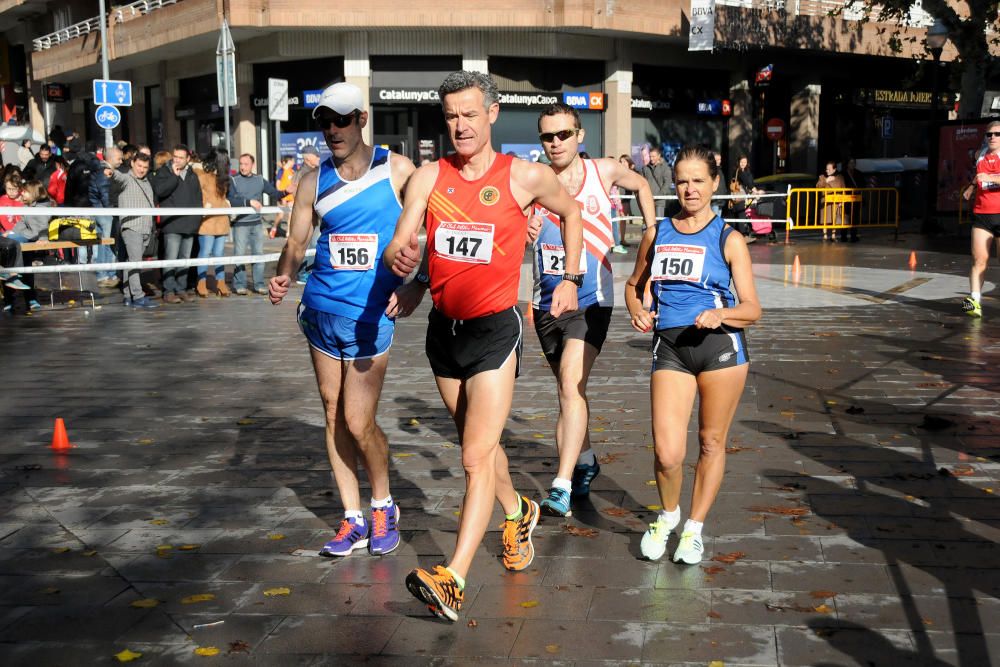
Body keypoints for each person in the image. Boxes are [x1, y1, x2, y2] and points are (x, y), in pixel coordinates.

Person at [383, 70, 583, 622]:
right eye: (451, 116)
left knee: (473, 457)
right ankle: (519, 511)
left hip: (496, 329)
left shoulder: (525, 176)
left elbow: (572, 212)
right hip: (443, 334)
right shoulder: (429, 176)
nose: (460, 125)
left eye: (470, 114)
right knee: (482, 445)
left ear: (492, 114)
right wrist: (406, 267)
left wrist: (569, 275)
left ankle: (454, 577)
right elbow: (405, 240)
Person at [267, 82, 416, 558]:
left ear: (362, 119)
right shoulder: (313, 180)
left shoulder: (397, 169)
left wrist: (418, 286)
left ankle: (383, 503)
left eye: (342, 119)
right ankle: (352, 516)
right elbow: (296, 240)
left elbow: (430, 232)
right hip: (321, 310)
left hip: (372, 314)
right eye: (325, 121)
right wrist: (283, 276)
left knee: (358, 419)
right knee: (332, 413)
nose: (332, 129)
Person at [625, 146, 761, 565]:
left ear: (715, 183)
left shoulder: (729, 239)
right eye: (682, 180)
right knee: (667, 453)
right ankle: (668, 516)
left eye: (698, 180)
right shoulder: (657, 233)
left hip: (721, 348)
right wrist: (636, 309)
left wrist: (721, 312)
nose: (689, 189)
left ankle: (694, 529)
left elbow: (752, 309)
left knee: (710, 441)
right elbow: (633, 285)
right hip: (670, 348)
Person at [526, 103, 657, 517]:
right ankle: (585, 462)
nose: (556, 143)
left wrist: (651, 234)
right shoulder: (531, 182)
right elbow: (510, 232)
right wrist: (521, 227)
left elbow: (643, 187)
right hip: (545, 303)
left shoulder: (603, 171)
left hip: (591, 300)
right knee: (570, 392)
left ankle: (561, 485)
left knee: (569, 383)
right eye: (548, 136)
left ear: (579, 135)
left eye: (564, 134)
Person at [228, 153, 290, 295]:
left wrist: (287, 191)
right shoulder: (234, 180)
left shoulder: (259, 180)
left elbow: (275, 194)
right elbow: (230, 200)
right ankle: (239, 284)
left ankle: (259, 284)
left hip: (256, 223)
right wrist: (249, 202)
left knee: (259, 255)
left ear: (252, 165)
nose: (242, 167)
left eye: (246, 164)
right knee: (240, 255)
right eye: (241, 164)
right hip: (240, 224)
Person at [152, 144, 204, 303]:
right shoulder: (164, 172)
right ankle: (168, 291)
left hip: (189, 225)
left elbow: (197, 199)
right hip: (172, 224)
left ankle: (181, 288)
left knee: (185, 260)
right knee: (171, 260)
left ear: (188, 159)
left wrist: (197, 219)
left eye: (181, 157)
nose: (177, 160)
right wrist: (174, 177)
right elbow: (160, 192)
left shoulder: (192, 175)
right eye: (175, 156)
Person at [109, 153, 159, 309]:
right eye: (139, 166)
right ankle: (138, 296)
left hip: (145, 228)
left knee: (131, 263)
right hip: (132, 227)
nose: (142, 170)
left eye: (145, 167)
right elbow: (116, 176)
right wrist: (109, 171)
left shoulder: (146, 182)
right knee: (135, 263)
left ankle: (127, 295)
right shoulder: (126, 179)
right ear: (132, 163)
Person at [961, 121, 1000, 318]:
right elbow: (978, 177)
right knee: (979, 259)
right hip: (982, 214)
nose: (993, 137)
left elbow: (988, 177)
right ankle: (974, 302)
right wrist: (971, 187)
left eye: (997, 134)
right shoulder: (980, 155)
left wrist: (991, 178)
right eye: (989, 134)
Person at [195, 149, 232, 298]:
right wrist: (204, 206)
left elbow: (225, 197)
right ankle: (201, 282)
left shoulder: (223, 178)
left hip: (222, 220)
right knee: (205, 252)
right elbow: (199, 195)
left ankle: (221, 282)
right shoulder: (202, 175)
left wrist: (227, 204)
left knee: (219, 254)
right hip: (207, 220)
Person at [91, 147, 124, 287]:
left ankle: (103, 274)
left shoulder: (99, 170)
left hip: (99, 209)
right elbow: (105, 192)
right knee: (108, 243)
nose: (121, 161)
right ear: (110, 159)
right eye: (119, 158)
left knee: (103, 244)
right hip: (105, 211)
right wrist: (112, 209)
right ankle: (106, 275)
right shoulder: (105, 172)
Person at [816, 161, 846, 241]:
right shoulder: (822, 177)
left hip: (835, 201)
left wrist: (842, 201)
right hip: (825, 201)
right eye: (826, 169)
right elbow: (818, 187)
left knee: (834, 218)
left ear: (834, 169)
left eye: (829, 169)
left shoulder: (840, 177)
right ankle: (825, 235)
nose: (827, 171)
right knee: (825, 218)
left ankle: (833, 235)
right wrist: (826, 181)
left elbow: (843, 188)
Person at [270, 155, 296, 238]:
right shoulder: (281, 171)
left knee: (290, 215)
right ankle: (274, 228)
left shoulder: (292, 171)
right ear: (287, 162)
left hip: (291, 197)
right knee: (280, 215)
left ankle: (288, 233)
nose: (293, 162)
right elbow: (278, 184)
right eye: (292, 161)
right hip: (283, 197)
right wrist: (281, 196)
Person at [643, 146, 672, 219]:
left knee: (659, 221)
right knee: (647, 221)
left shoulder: (665, 168)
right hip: (648, 198)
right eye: (650, 156)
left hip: (659, 200)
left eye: (653, 156)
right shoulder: (645, 168)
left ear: (659, 156)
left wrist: (660, 195)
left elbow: (667, 182)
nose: (651, 158)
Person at [840, 158, 862, 242]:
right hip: (846, 199)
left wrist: (859, 189)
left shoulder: (858, 173)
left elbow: (862, 184)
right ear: (847, 164)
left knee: (855, 218)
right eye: (851, 163)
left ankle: (853, 236)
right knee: (845, 217)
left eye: (854, 163)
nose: (852, 164)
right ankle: (843, 236)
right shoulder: (843, 174)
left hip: (856, 198)